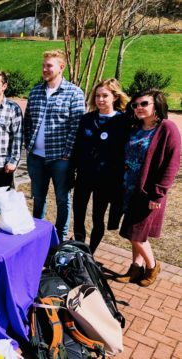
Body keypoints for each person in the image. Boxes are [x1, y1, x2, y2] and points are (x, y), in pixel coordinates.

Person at [116, 89, 180, 287]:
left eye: (144, 104)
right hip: (130, 189)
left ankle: (152, 266)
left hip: (149, 193)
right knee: (137, 233)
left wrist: (158, 194)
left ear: (157, 105)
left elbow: (172, 163)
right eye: (135, 105)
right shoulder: (136, 127)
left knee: (136, 234)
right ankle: (136, 268)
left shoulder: (167, 128)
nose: (138, 108)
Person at [24, 49, 85, 241]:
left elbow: (77, 127)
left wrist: (67, 153)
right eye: (43, 65)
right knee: (38, 198)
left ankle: (59, 238)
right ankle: (38, 236)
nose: (44, 69)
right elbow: (28, 122)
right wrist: (28, 145)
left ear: (61, 67)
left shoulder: (74, 93)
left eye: (49, 66)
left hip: (61, 159)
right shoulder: (35, 92)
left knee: (62, 200)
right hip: (36, 157)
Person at [72, 79, 130, 254]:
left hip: (106, 180)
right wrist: (72, 171)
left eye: (105, 95)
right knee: (79, 214)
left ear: (114, 97)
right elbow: (78, 147)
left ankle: (91, 252)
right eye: (97, 96)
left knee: (98, 217)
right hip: (84, 176)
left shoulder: (123, 122)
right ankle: (80, 248)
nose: (100, 99)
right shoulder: (87, 119)